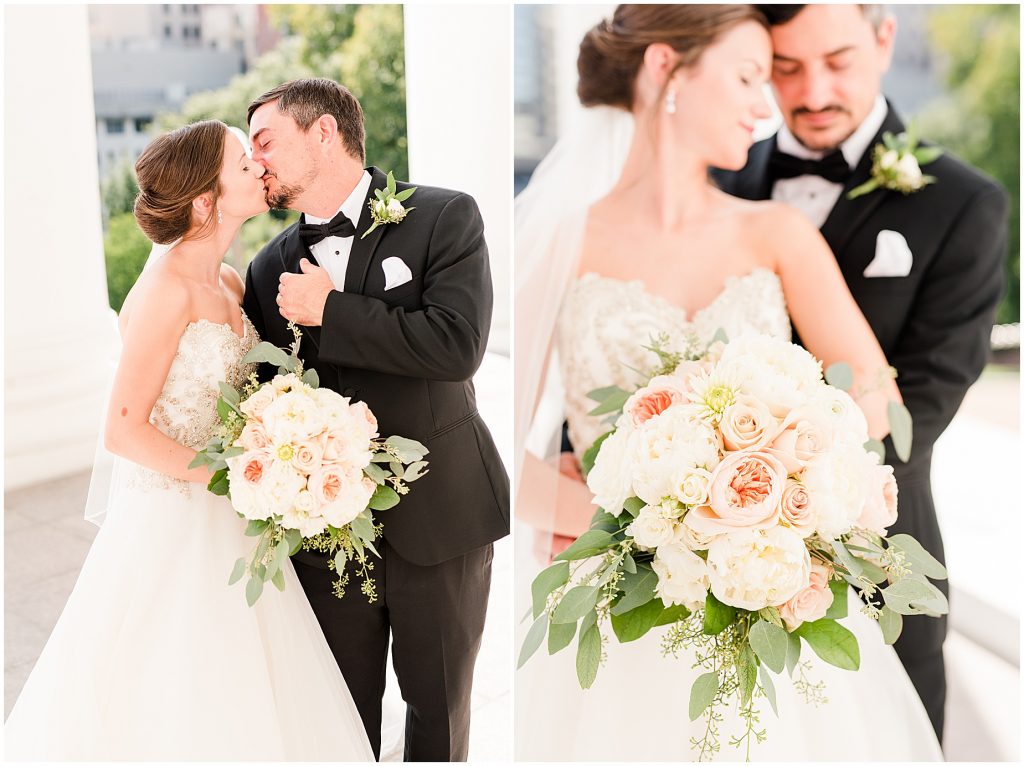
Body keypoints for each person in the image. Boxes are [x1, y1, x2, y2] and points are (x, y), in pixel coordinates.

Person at [514, 5, 942, 760]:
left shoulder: (777, 234)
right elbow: (486, 443)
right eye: (748, 76)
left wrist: (791, 483)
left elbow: (878, 401)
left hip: (771, 603)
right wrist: (636, 523)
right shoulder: (560, 240)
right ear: (664, 70)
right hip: (620, 611)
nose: (765, 104)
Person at [4, 121, 373, 760]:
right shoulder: (162, 293)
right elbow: (122, 429)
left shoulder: (231, 283)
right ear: (206, 201)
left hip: (239, 507)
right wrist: (239, 475)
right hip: (177, 518)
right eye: (242, 161)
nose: (260, 167)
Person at [713, 4, 1008, 741]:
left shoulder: (965, 203)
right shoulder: (718, 179)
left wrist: (783, 501)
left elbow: (927, 402)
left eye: (837, 60)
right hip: (715, 553)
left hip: (883, 552)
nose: (813, 91)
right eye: (786, 67)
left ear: (884, 40)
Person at [242, 78, 510, 762]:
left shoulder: (446, 216)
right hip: (326, 533)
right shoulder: (266, 267)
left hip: (441, 514)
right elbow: (268, 398)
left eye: (266, 140)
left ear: (324, 132)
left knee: (439, 712)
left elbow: (457, 346)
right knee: (338, 715)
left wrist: (332, 310)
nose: (256, 160)